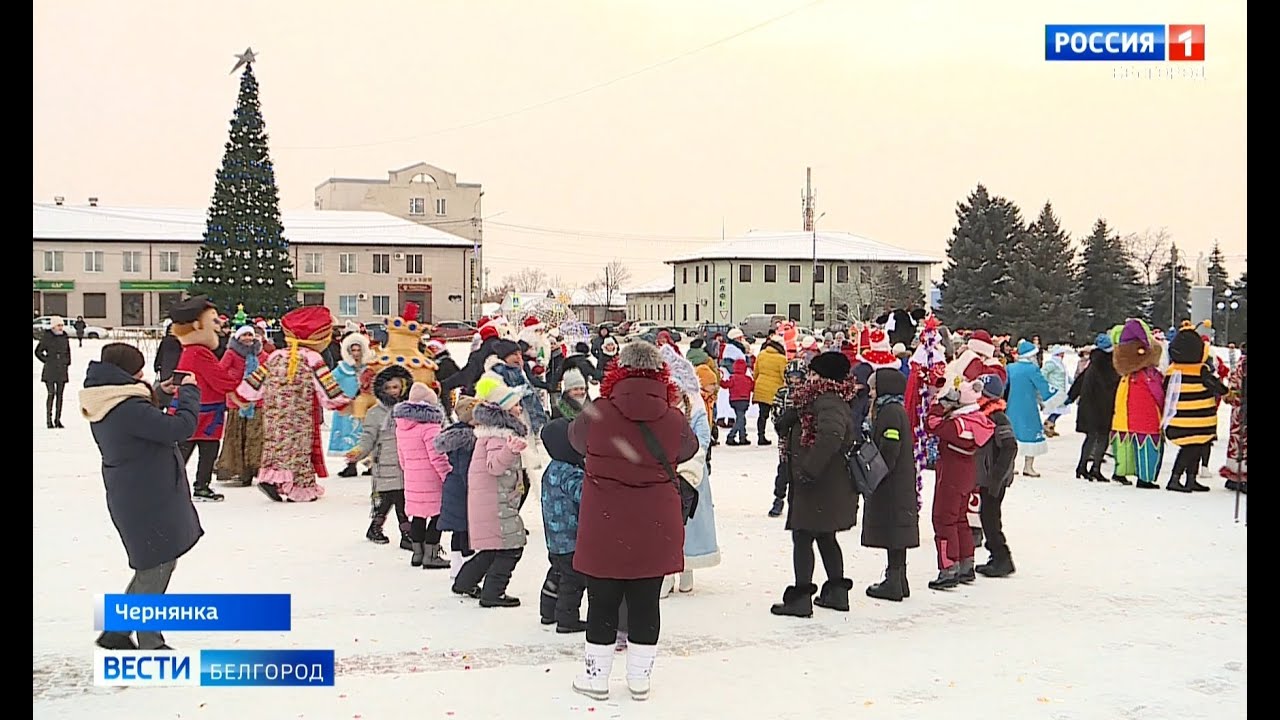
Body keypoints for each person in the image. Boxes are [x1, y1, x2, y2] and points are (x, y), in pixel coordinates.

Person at [568, 341, 698, 702]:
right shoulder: (673, 417)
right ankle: (639, 679)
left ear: (618, 370)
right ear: (660, 374)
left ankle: (596, 678)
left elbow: (575, 440)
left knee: (602, 601)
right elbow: (689, 450)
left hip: (604, 522)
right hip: (654, 523)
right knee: (646, 601)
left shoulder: (599, 412)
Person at [81, 343, 203, 651]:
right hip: (147, 496)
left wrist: (160, 393)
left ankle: (116, 631)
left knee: (155, 564)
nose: (141, 376)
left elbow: (143, 417)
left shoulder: (110, 399)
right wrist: (189, 394)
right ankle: (151, 642)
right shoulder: (126, 408)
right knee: (156, 567)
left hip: (139, 491)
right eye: (137, 372)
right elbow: (179, 428)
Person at [770, 351, 860, 617]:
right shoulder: (817, 400)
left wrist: (809, 470)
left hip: (820, 484)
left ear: (823, 376)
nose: (808, 377)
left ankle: (800, 598)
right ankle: (836, 592)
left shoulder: (828, 401)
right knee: (824, 535)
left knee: (803, 535)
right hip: (826, 485)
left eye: (812, 373)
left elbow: (831, 436)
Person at [235, 306, 353, 503]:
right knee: (299, 450)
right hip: (300, 416)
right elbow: (327, 386)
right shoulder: (312, 358)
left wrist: (243, 396)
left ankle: (271, 480)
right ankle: (298, 488)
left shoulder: (276, 355)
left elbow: (255, 382)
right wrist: (342, 403)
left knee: (275, 447)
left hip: (273, 415)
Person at [452, 382, 531, 607]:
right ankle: (493, 593)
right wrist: (510, 450)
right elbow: (494, 467)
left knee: (492, 548)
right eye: (515, 405)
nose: (519, 408)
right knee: (512, 547)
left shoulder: (493, 434)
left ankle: (464, 582)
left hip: (491, 499)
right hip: (496, 501)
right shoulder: (499, 436)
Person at [169, 296, 244, 502]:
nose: (219, 326)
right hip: (203, 411)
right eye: (214, 321)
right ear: (197, 325)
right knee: (202, 451)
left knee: (189, 450)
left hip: (196, 409)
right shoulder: (199, 353)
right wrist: (242, 381)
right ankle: (193, 486)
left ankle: (174, 485)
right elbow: (219, 379)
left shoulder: (190, 351)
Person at [925, 373, 994, 590]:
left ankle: (948, 568)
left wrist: (940, 404)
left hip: (951, 474)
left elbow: (932, 424)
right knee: (961, 519)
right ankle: (966, 564)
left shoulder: (958, 425)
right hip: (968, 473)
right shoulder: (978, 419)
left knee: (944, 520)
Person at [662, 344, 718, 596]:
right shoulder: (660, 409)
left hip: (689, 474)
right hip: (664, 473)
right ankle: (666, 573)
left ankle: (686, 569)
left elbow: (703, 438)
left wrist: (690, 463)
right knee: (665, 525)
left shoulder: (693, 408)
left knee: (687, 523)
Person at [861, 367, 920, 602]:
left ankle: (893, 581)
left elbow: (891, 443)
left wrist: (877, 470)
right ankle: (899, 579)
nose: (871, 392)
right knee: (896, 529)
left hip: (892, 482)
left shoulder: (890, 412)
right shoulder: (893, 409)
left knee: (894, 529)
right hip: (898, 480)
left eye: (874, 387)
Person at [347, 365, 414, 546]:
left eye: (396, 387)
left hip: (405, 463)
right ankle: (378, 528)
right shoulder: (375, 413)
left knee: (403, 501)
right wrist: (358, 452)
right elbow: (368, 437)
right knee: (387, 499)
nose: (393, 391)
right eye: (388, 388)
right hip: (385, 463)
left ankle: (405, 534)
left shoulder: (409, 410)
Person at [394, 382, 453, 568]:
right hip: (431, 479)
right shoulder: (431, 427)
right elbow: (437, 457)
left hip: (412, 478)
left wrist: (409, 471)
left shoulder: (401, 427)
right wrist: (447, 476)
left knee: (418, 517)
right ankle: (431, 554)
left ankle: (417, 554)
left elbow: (401, 458)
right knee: (437, 516)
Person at [1163, 323, 1227, 493]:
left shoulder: (1172, 370)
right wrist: (1226, 392)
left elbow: (1165, 390)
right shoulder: (1201, 370)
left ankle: (1191, 479)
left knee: (1194, 447)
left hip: (1178, 419)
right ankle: (1175, 478)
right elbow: (1217, 387)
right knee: (1192, 448)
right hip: (1198, 421)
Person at [538, 417, 588, 633]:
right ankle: (567, 619)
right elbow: (584, 494)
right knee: (574, 579)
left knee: (557, 571)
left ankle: (548, 610)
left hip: (555, 536)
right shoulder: (569, 471)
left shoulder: (553, 468)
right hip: (571, 536)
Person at [1109, 319, 1166, 489]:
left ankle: (1120, 471)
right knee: (1147, 447)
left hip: (1124, 417)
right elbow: (1158, 394)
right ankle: (1145, 477)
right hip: (1147, 418)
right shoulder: (1148, 375)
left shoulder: (1126, 377)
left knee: (1126, 445)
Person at [973, 374, 1018, 577]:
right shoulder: (985, 415)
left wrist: (996, 478)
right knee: (987, 517)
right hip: (988, 476)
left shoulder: (998, 417)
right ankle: (996, 556)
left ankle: (1002, 558)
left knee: (990, 519)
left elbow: (1009, 447)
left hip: (995, 479)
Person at [214, 325, 268, 488]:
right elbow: (220, 372)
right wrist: (232, 384)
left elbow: (269, 368)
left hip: (257, 401)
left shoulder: (260, 354)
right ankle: (238, 470)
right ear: (238, 337)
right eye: (244, 335)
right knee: (236, 436)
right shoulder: (231, 353)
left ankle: (255, 469)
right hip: (237, 401)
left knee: (255, 437)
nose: (247, 338)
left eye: (250, 335)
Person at [435, 396, 481, 579]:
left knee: (458, 530)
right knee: (465, 529)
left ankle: (457, 565)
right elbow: (466, 468)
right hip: (463, 491)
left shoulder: (455, 435)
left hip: (453, 487)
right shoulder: (467, 440)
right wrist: (473, 488)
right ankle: (465, 567)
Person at [1004, 340, 1062, 478]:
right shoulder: (1032, 369)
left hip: (1012, 405)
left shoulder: (1010, 368)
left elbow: (1005, 386)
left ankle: (1010, 466)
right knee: (1030, 433)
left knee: (1012, 434)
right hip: (1028, 405)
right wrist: (1055, 396)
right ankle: (1028, 467)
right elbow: (1042, 386)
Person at [1067, 334, 1120, 482]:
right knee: (1103, 437)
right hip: (1104, 406)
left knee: (1090, 437)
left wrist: (1070, 397)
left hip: (1088, 405)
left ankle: (1081, 467)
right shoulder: (1110, 365)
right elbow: (1114, 385)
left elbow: (1080, 380)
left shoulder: (1093, 362)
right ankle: (1095, 468)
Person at [768, 360, 807, 517]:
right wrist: (780, 424)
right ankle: (778, 498)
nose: (795, 381)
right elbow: (775, 411)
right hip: (785, 437)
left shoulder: (806, 393)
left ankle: (799, 503)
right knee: (784, 469)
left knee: (801, 470)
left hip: (803, 437)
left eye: (798, 377)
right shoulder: (782, 392)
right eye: (792, 377)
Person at [331, 332, 372, 476]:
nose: (356, 353)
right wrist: (338, 398)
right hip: (348, 408)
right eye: (353, 350)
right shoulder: (342, 368)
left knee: (366, 435)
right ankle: (351, 464)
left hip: (365, 408)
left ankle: (370, 463)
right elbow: (330, 383)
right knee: (349, 435)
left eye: (358, 350)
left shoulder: (370, 368)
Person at [35, 315, 72, 429]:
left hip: (61, 369)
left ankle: (58, 420)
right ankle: (49, 420)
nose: (60, 328)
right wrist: (47, 360)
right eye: (58, 325)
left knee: (60, 396)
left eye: (61, 325)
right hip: (50, 370)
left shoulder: (64, 337)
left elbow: (68, 352)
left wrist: (66, 362)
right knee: (51, 394)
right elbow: (38, 352)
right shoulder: (47, 337)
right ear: (53, 326)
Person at [1219, 344, 1246, 492]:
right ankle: (1240, 476)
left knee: (1237, 441)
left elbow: (1231, 389)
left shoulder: (1240, 364)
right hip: (1242, 408)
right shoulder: (1243, 364)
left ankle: (1234, 475)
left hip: (1239, 409)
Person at [751, 337, 788, 446]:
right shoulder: (782, 359)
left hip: (761, 388)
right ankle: (781, 436)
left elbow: (755, 372)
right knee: (778, 416)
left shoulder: (761, 354)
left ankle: (760, 436)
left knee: (762, 415)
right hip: (775, 391)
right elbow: (783, 375)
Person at [721, 359, 754, 445]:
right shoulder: (748, 379)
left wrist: (720, 380)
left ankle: (742, 437)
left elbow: (726, 385)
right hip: (744, 401)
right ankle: (731, 436)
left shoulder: (733, 378)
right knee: (740, 419)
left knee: (741, 419)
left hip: (734, 401)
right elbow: (753, 387)